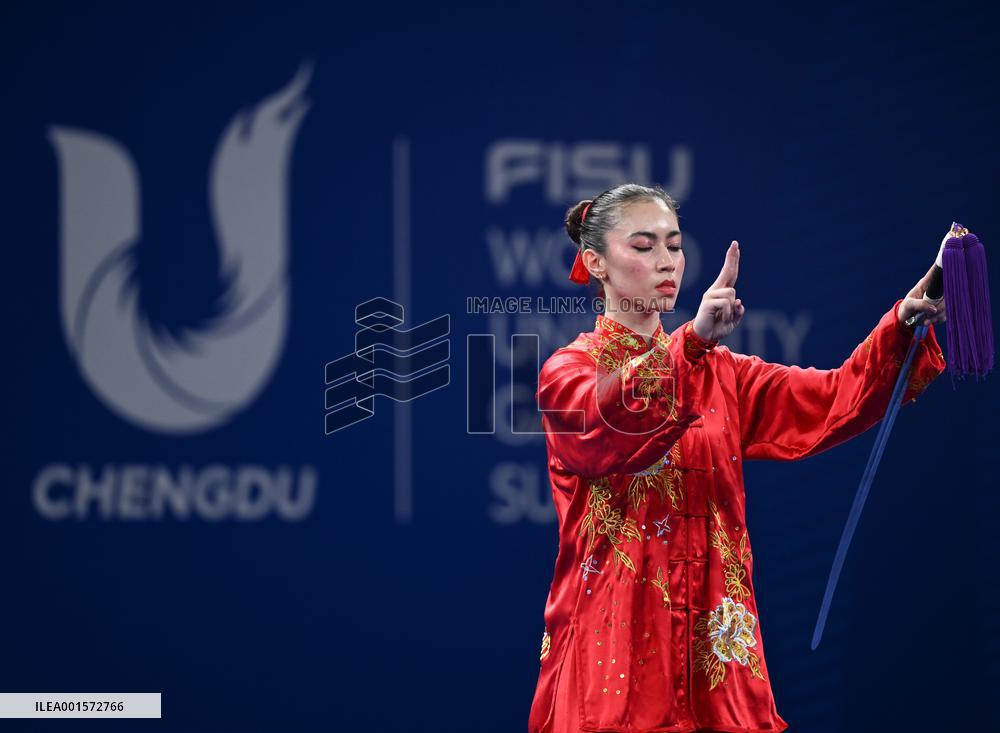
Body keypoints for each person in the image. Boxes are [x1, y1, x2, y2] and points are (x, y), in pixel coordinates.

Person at [527, 183, 946, 733]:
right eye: (644, 245)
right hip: (616, 654)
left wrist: (900, 327)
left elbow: (832, 400)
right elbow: (611, 426)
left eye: (674, 246)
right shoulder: (567, 372)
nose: (666, 261)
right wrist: (693, 343)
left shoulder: (725, 374)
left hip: (716, 656)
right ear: (595, 262)